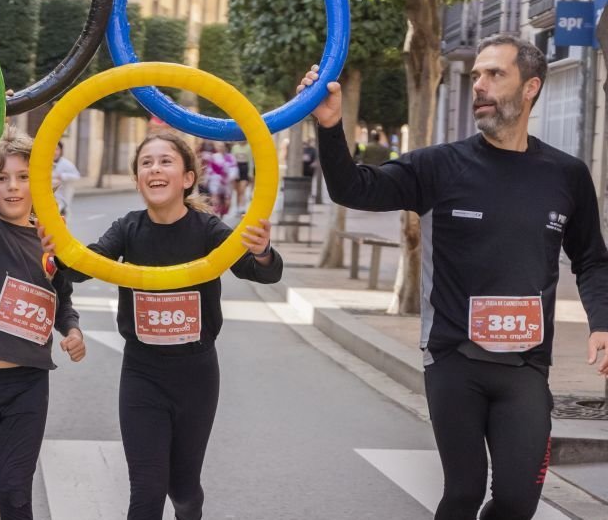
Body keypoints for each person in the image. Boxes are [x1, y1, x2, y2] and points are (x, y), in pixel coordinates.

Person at [299, 33, 608, 520]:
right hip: (453, 360)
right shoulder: (440, 165)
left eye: (493, 74)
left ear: (530, 88)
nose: (478, 84)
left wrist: (602, 322)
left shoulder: (566, 174)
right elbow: (353, 187)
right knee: (462, 494)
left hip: (527, 367)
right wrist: (332, 127)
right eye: (476, 74)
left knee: (515, 500)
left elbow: (592, 258)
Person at [42, 131, 281, 520]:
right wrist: (57, 253)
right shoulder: (127, 227)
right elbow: (87, 265)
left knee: (183, 492)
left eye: (166, 161)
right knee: (147, 491)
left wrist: (263, 251)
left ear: (187, 177)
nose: (155, 168)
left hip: (196, 374)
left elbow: (263, 272)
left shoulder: (207, 228)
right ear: (138, 179)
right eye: (146, 163)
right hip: (142, 372)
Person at [0, 121, 84, 520]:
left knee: (15, 493)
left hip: (28, 384)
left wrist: (72, 329)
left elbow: (62, 298)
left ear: (40, 183)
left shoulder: (51, 241)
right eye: (1, 177)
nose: (12, 186)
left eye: (24, 177)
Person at [51, 140, 80, 218]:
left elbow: (77, 176)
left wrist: (63, 176)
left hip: (63, 199)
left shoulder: (67, 164)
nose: (54, 152)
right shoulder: (45, 163)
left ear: (61, 151)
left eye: (56, 149)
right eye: (52, 149)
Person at [231, 140, 252, 211]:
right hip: (236, 169)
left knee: (243, 189)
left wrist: (250, 173)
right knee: (238, 191)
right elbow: (232, 160)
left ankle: (242, 206)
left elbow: (250, 161)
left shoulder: (249, 147)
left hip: (245, 168)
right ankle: (238, 206)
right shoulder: (235, 147)